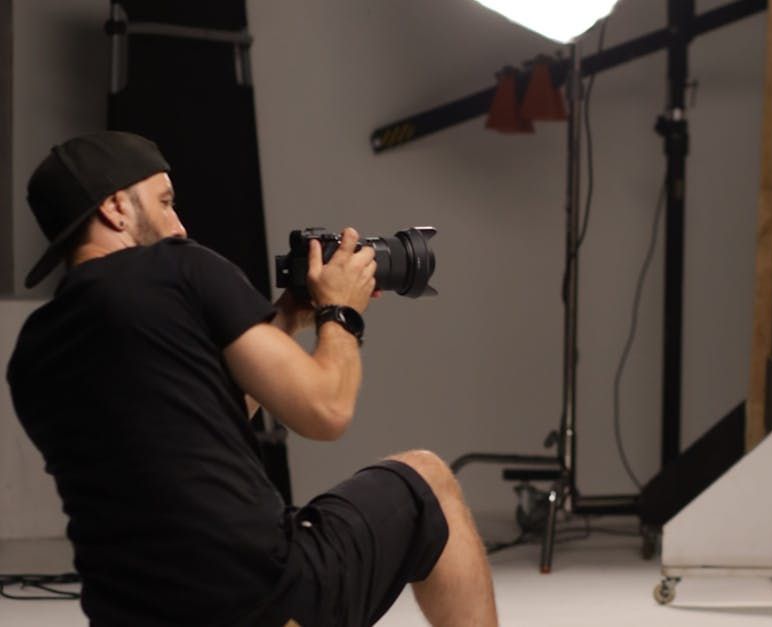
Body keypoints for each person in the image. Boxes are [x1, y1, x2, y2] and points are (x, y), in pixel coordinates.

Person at [6, 131, 498, 627]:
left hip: (130, 616)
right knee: (429, 479)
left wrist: (285, 320)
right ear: (116, 206)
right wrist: (340, 311)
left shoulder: (33, 354)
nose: (178, 224)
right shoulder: (181, 267)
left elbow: (193, 422)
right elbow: (327, 409)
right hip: (262, 602)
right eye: (165, 202)